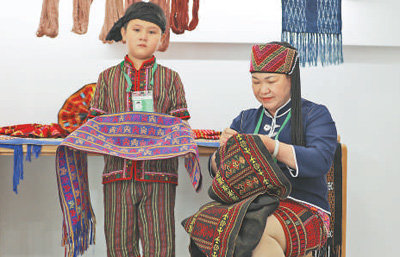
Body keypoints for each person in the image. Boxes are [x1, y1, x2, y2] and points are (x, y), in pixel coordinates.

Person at [210, 42, 338, 257]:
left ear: (291, 79)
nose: (262, 90)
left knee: (254, 231)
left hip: (305, 207)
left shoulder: (315, 114)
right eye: (255, 81)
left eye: (271, 81)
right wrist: (223, 151)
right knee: (213, 225)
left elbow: (320, 160)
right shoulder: (245, 118)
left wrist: (273, 147)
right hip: (251, 207)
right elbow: (218, 172)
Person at [90, 2, 191, 257]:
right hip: (117, 175)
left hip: (159, 176)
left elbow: (181, 125)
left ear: (162, 38)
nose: (143, 36)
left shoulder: (171, 78)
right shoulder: (107, 78)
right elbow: (94, 126)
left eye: (152, 31)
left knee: (160, 246)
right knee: (118, 246)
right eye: (136, 29)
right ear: (123, 33)